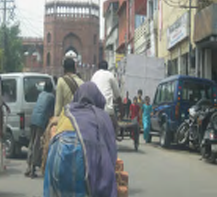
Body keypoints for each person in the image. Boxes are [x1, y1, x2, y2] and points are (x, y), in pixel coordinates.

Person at [43, 82, 117, 197]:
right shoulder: (102, 116)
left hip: (57, 152)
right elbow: (110, 150)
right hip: (81, 155)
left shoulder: (67, 110)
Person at [25, 81, 55, 178]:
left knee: (32, 143)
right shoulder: (51, 97)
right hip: (40, 122)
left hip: (33, 119)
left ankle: (28, 167)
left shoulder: (41, 94)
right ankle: (32, 169)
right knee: (37, 145)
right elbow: (52, 111)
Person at [91, 60, 121, 133]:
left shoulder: (94, 75)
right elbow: (117, 93)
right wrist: (120, 102)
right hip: (107, 110)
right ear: (107, 67)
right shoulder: (110, 75)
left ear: (98, 67)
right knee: (115, 127)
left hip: (94, 109)